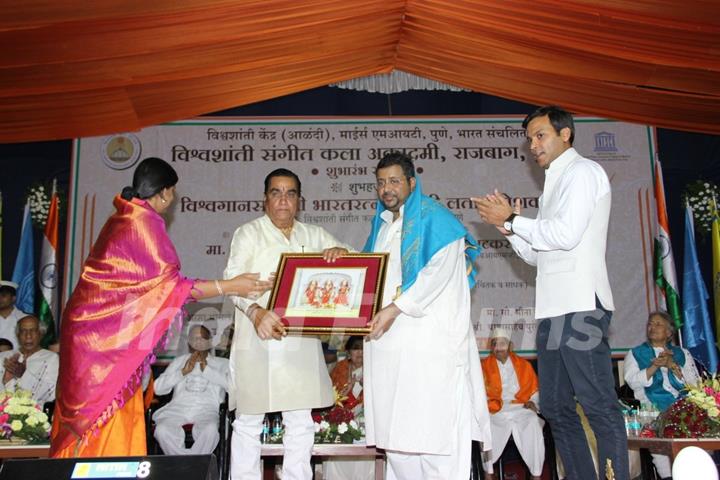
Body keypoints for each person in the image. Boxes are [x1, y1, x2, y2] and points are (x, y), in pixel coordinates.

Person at [50, 157, 272, 458]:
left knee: (99, 412)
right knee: (102, 414)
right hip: (102, 342)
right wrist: (232, 285)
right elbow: (172, 287)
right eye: (173, 193)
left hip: (93, 334)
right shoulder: (141, 222)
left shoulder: (124, 216)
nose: (173, 199)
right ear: (165, 192)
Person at [473, 105, 627, 480]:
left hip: (580, 306)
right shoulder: (555, 184)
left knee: (597, 405)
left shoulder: (583, 172)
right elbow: (540, 257)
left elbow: (565, 235)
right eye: (530, 139)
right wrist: (511, 231)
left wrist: (512, 219)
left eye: (540, 135)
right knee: (556, 408)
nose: (533, 145)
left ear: (565, 135)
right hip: (553, 309)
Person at [362, 152, 490, 480]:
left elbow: (438, 276)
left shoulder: (438, 221)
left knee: (437, 441)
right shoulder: (382, 227)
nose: (386, 189)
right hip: (389, 351)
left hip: (430, 351)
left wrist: (395, 308)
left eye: (393, 181)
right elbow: (368, 277)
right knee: (399, 443)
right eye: (380, 183)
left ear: (412, 183)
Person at [224, 168, 350, 480]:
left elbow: (354, 263)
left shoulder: (313, 235)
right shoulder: (248, 233)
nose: (283, 200)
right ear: (264, 200)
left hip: (299, 341)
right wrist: (255, 312)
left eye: (290, 193)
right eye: (276, 193)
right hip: (256, 336)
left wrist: (342, 253)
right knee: (249, 421)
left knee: (301, 419)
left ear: (299, 201)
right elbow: (231, 281)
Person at [624, 311, 699, 479]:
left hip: (684, 411)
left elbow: (695, 385)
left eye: (658, 324)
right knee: (663, 454)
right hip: (652, 411)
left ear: (669, 332)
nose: (652, 327)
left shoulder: (682, 354)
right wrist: (654, 367)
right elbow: (631, 381)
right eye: (650, 324)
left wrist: (672, 365)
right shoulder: (636, 353)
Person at [152, 324, 229, 456]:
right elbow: (158, 389)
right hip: (178, 409)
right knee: (162, 430)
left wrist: (208, 371)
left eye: (202, 338)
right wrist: (181, 372)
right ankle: (185, 465)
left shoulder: (222, 363)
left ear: (209, 341)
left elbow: (233, 388)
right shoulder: (179, 361)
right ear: (189, 342)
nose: (198, 342)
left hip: (207, 410)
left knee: (210, 430)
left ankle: (193, 466)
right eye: (194, 338)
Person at [481, 328, 544, 480]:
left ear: (510, 346)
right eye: (495, 344)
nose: (498, 348)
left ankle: (536, 475)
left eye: (502, 344)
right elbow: (479, 394)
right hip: (495, 409)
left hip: (521, 407)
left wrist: (533, 402)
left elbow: (535, 391)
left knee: (533, 422)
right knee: (486, 427)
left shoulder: (524, 365)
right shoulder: (483, 367)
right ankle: (488, 473)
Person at [324, 335, 372, 480]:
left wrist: (362, 387)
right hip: (341, 420)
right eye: (356, 348)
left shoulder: (373, 367)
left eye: (363, 348)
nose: (360, 352)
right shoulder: (340, 368)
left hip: (365, 420)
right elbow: (332, 394)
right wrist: (347, 390)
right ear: (348, 352)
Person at [0, 315, 59, 405]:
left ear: (41, 334)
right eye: (23, 331)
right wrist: (7, 380)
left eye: (33, 330)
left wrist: (24, 375)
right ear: (18, 335)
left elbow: (50, 395)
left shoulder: (51, 358)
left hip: (36, 416)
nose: (28, 336)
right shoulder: (4, 356)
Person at [0, 280, 26, 350]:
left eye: (3, 295)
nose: (0, 299)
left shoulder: (25, 319)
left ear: (13, 298)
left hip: (18, 359)